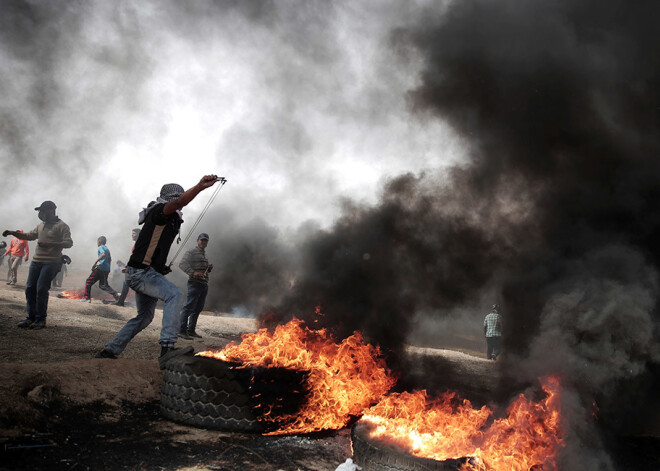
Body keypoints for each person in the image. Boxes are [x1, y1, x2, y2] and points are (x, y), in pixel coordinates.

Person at [95, 175, 221, 368]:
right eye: (177, 199)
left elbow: (153, 247)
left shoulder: (169, 219)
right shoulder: (159, 212)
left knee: (144, 317)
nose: (180, 205)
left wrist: (160, 267)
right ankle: (167, 349)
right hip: (141, 273)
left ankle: (110, 350)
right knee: (175, 294)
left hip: (145, 272)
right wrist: (200, 187)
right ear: (169, 199)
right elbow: (180, 201)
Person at [2, 200, 73, 329]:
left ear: (51, 211)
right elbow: (29, 235)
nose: (41, 213)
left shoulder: (62, 226)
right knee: (30, 288)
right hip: (36, 261)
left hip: (51, 262)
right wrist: (13, 232)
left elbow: (68, 243)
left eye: (43, 211)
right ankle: (30, 318)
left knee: (41, 289)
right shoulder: (41, 225)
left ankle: (40, 319)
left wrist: (50, 244)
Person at [178, 233, 213, 339]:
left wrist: (209, 269)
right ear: (197, 240)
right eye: (202, 240)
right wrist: (193, 273)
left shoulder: (204, 254)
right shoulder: (191, 252)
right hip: (194, 283)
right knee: (188, 307)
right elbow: (182, 264)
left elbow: (203, 270)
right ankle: (181, 330)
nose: (204, 242)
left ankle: (191, 330)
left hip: (203, 284)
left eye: (205, 240)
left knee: (198, 308)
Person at [83, 236, 119, 302]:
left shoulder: (101, 247)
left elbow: (103, 255)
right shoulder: (107, 248)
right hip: (106, 269)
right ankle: (115, 294)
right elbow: (110, 259)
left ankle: (87, 298)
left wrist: (95, 262)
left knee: (88, 281)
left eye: (97, 241)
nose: (97, 243)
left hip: (100, 268)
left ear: (99, 241)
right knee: (103, 285)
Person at [113, 228, 141, 307]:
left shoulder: (140, 244)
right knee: (127, 283)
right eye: (132, 233)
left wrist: (128, 267)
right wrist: (125, 265)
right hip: (133, 268)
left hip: (137, 269)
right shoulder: (136, 244)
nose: (132, 235)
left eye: (134, 234)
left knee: (132, 284)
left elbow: (137, 258)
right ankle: (121, 302)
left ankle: (122, 302)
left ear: (139, 234)